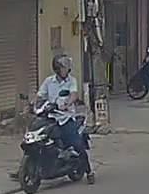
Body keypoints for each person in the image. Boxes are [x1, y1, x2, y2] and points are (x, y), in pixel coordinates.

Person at [11, 55, 94, 184]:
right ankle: (25, 168)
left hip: (65, 119)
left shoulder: (71, 81)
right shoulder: (49, 81)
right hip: (50, 118)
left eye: (67, 67)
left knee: (76, 144)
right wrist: (31, 106)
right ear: (57, 69)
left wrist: (67, 104)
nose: (67, 69)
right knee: (34, 139)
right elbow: (40, 96)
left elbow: (74, 94)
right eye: (64, 67)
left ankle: (89, 171)